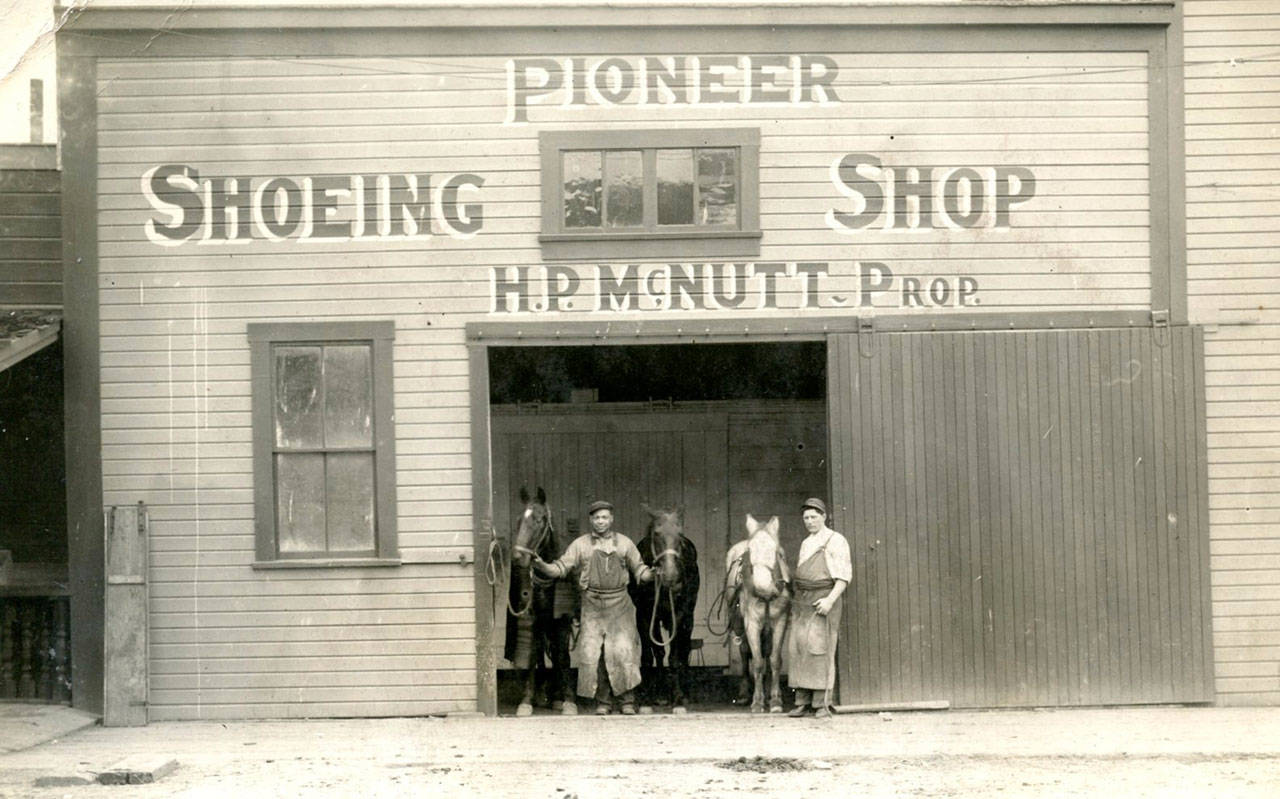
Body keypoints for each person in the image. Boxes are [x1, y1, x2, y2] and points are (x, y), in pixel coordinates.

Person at [533, 500, 654, 715]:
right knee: (596, 653)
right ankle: (604, 702)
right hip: (592, 605)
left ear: (611, 519)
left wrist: (653, 574)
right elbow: (559, 569)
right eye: (597, 518)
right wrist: (542, 565)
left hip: (621, 605)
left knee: (624, 651)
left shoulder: (625, 543)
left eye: (604, 517)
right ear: (591, 520)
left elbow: (640, 570)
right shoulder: (580, 545)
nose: (600, 521)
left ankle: (627, 701)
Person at [787, 497, 851, 718]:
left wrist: (830, 600)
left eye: (814, 516)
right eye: (806, 517)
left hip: (824, 600)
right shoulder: (806, 543)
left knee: (821, 649)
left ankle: (822, 703)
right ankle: (802, 701)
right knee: (800, 649)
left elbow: (843, 578)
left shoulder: (836, 540)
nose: (810, 521)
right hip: (803, 602)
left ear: (824, 516)